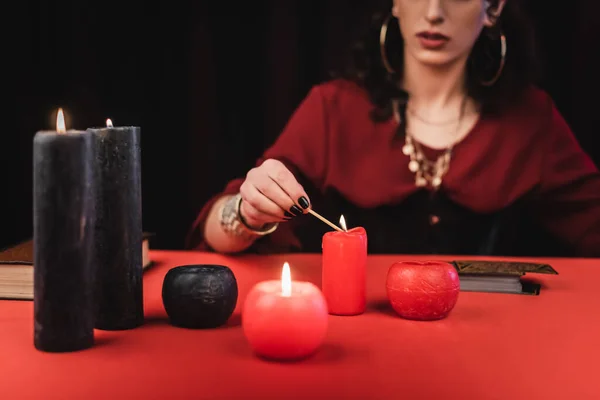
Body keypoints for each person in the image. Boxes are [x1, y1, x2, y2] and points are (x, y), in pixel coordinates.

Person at [186, 0, 600, 257]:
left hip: (493, 352)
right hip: (359, 345)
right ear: (396, 4)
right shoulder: (334, 108)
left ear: (493, 8)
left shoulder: (531, 120)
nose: (434, 11)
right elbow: (213, 229)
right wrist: (246, 211)